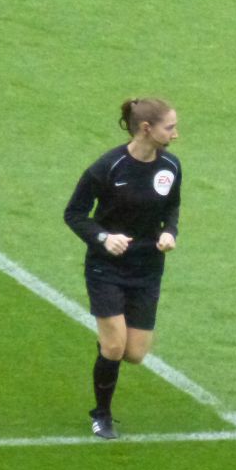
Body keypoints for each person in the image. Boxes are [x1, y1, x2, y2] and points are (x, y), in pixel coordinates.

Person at [64, 98, 181, 438]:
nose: (176, 134)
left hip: (147, 269)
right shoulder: (108, 167)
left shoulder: (171, 167)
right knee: (115, 347)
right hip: (108, 267)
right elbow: (74, 214)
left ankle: (107, 344)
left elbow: (172, 206)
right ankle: (101, 414)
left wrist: (169, 232)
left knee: (134, 354)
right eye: (170, 127)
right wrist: (102, 237)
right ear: (147, 129)